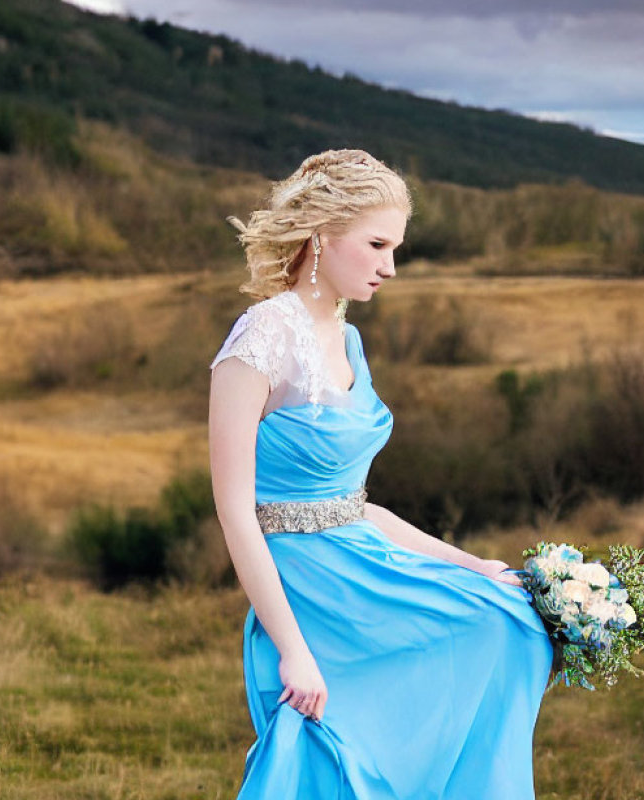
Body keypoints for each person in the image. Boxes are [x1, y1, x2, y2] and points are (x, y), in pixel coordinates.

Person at [208, 149, 553, 799]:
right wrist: (293, 648)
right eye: (376, 244)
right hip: (310, 593)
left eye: (396, 248)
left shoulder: (347, 337)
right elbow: (235, 511)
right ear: (321, 234)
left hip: (361, 559)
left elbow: (352, 506)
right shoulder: (258, 339)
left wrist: (467, 563)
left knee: (508, 616)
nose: (390, 267)